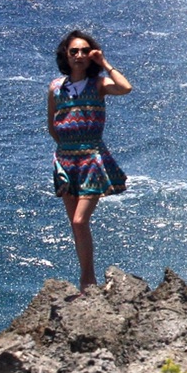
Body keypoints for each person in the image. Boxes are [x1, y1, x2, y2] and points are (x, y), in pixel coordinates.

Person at [49, 29, 132, 289]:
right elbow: (52, 123)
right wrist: (64, 146)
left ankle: (88, 278)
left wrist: (104, 63)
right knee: (75, 225)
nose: (80, 55)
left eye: (85, 51)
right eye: (74, 51)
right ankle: (87, 277)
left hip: (91, 158)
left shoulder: (98, 85)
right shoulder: (55, 87)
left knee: (79, 220)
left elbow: (125, 87)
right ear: (66, 55)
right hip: (66, 159)